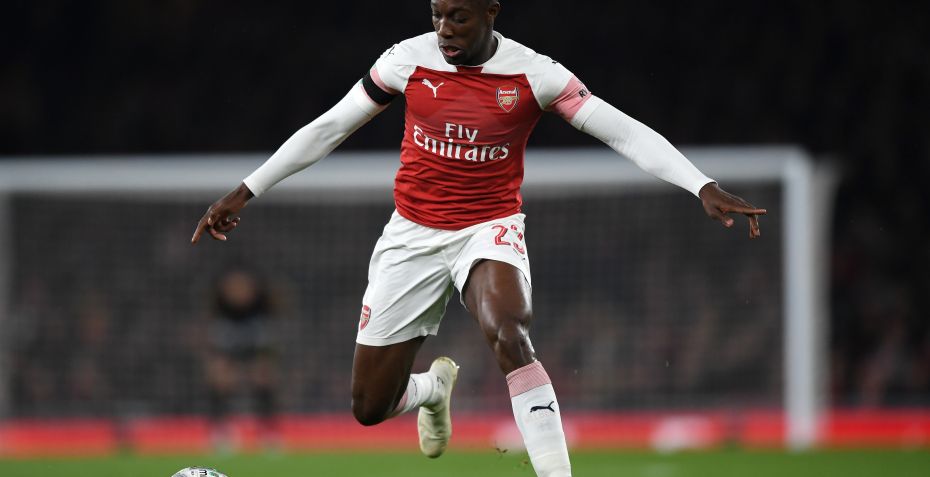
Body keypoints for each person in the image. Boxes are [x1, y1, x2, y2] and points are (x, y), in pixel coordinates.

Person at [192, 0, 766, 475]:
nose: (444, 29)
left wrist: (701, 185)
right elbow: (329, 126)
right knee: (369, 406)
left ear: (492, 12)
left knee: (510, 331)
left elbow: (624, 132)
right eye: (437, 15)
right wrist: (246, 190)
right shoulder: (406, 60)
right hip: (412, 233)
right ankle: (430, 391)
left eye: (459, 17)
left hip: (487, 228)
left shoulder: (534, 74)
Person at [201, 266, 280, 450]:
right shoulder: (219, 311)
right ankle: (220, 430)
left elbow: (267, 350)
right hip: (227, 346)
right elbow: (215, 348)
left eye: (243, 286)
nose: (239, 292)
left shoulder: (262, 307)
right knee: (220, 378)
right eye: (233, 287)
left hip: (255, 346)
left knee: (263, 376)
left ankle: (268, 431)